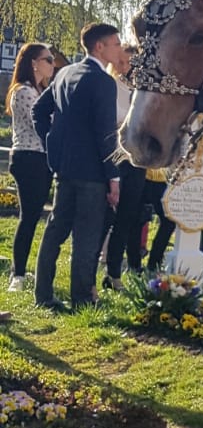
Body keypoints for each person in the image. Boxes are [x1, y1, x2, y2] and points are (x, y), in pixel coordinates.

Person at [32, 23, 123, 310]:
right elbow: (106, 134)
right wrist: (114, 177)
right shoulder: (103, 82)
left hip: (65, 168)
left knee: (55, 231)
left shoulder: (64, 73)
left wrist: (53, 144)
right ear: (99, 47)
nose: (119, 49)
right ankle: (82, 300)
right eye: (115, 43)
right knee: (86, 236)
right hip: (93, 173)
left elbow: (39, 111)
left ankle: (42, 294)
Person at [5, 42, 56, 290]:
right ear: (34, 63)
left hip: (40, 158)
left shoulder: (39, 91)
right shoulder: (24, 92)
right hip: (28, 157)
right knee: (28, 217)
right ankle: (18, 274)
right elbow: (42, 125)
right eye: (48, 60)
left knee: (34, 216)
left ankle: (22, 270)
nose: (53, 65)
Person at [101, 42, 148, 286]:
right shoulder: (110, 85)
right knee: (107, 216)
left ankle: (114, 273)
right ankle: (93, 269)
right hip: (114, 156)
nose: (125, 67)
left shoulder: (141, 89)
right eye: (121, 62)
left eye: (130, 63)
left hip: (135, 159)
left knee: (128, 217)